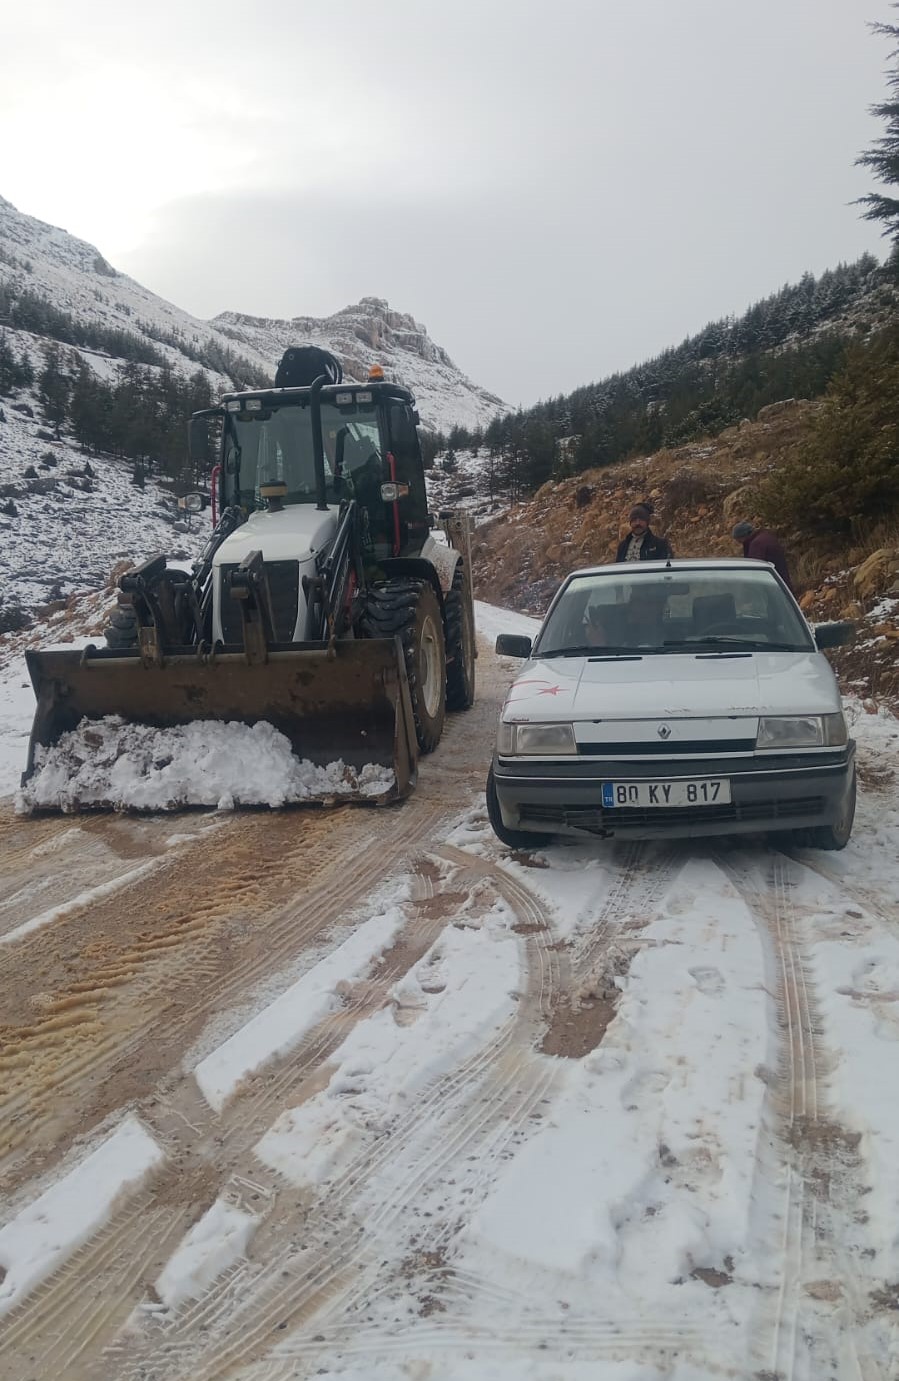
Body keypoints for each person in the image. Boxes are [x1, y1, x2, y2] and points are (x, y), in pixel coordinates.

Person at [732, 521, 793, 592]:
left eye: (738, 540)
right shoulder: (765, 536)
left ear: (743, 536)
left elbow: (755, 569)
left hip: (772, 586)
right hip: (781, 582)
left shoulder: (757, 544)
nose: (739, 542)